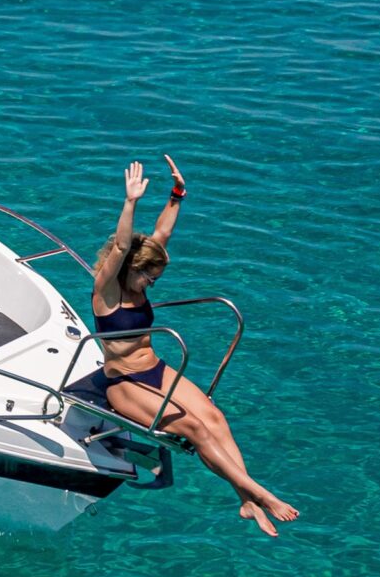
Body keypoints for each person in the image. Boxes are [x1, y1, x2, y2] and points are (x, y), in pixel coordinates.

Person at [93, 157, 299, 536]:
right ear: (132, 268)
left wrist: (177, 194)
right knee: (195, 429)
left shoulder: (141, 272)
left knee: (215, 419)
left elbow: (162, 233)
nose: (152, 284)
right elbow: (122, 245)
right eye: (149, 278)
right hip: (123, 384)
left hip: (154, 370)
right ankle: (260, 494)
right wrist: (131, 201)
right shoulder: (106, 292)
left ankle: (246, 502)